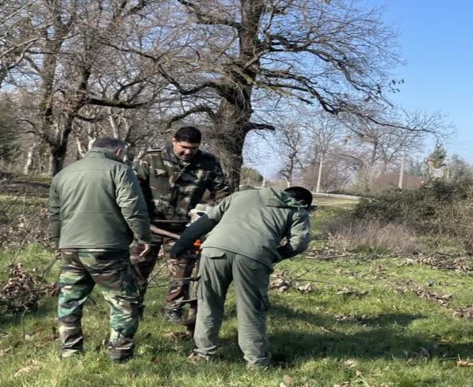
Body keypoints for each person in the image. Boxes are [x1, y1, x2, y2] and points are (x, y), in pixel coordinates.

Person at [170, 186, 313, 367]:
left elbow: (207, 220)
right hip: (253, 256)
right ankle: (257, 361)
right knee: (251, 308)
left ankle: (203, 353)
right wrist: (276, 255)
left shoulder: (241, 195)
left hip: (214, 249)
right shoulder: (297, 210)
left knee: (209, 302)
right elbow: (299, 242)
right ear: (303, 202)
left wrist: (183, 242)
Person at [49, 138, 152, 362]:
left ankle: (70, 351)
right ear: (117, 151)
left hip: (70, 247)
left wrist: (58, 241)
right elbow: (133, 208)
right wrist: (143, 238)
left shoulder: (63, 174)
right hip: (107, 247)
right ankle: (120, 355)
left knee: (69, 301)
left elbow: (55, 215)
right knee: (123, 301)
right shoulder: (121, 170)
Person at [132, 126, 230, 322]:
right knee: (137, 266)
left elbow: (223, 193)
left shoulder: (208, 163)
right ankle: (133, 308)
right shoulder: (151, 159)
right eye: (184, 147)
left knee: (182, 271)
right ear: (173, 141)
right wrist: (138, 216)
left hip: (183, 228)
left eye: (193, 148)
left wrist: (209, 217)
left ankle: (174, 310)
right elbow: (133, 188)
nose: (188, 152)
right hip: (148, 225)